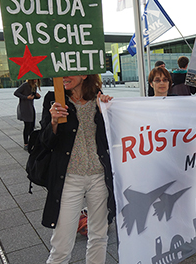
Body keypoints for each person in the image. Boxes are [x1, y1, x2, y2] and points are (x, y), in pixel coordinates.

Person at [40, 74, 115, 263]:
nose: (63, 77)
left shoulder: (97, 96)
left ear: (84, 73)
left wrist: (106, 112)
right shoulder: (54, 98)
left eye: (69, 72)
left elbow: (108, 137)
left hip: (98, 176)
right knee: (62, 245)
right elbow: (46, 141)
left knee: (99, 236)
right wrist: (54, 122)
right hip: (69, 178)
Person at [15, 79, 41, 151]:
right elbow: (16, 93)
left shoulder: (34, 86)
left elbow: (32, 96)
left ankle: (31, 142)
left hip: (30, 107)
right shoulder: (25, 85)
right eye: (35, 79)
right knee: (27, 126)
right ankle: (26, 143)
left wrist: (37, 96)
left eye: (37, 79)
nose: (36, 81)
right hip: (24, 108)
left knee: (32, 125)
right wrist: (26, 97)